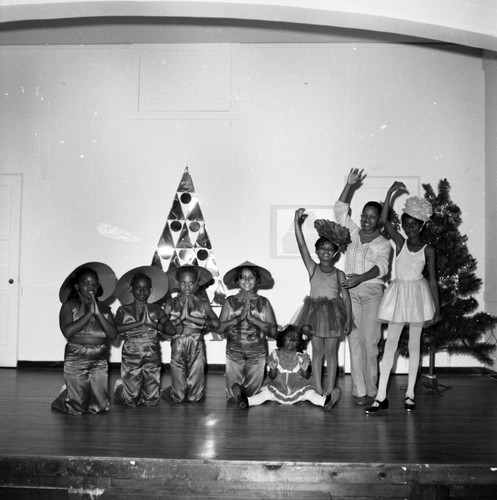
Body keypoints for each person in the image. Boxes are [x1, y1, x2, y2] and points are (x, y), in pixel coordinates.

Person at [365, 182, 440, 413]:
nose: (410, 228)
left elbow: (433, 279)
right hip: (398, 295)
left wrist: (437, 309)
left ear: (421, 225)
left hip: (418, 296)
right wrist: (389, 193)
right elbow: (385, 221)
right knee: (390, 345)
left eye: (414, 224)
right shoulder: (400, 242)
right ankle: (380, 396)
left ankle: (410, 395)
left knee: (414, 345)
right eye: (406, 224)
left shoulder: (428, 249)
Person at [334, 169, 392, 406]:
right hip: (350, 293)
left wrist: (361, 277)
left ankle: (373, 389)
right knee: (354, 339)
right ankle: (359, 391)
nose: (366, 220)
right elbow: (339, 210)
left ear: (379, 220)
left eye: (371, 216)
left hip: (372, 293)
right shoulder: (353, 233)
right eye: (364, 215)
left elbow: (382, 268)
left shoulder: (383, 243)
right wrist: (349, 185)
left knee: (370, 342)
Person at [293, 209, 352, 398]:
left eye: (330, 249)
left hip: (334, 316)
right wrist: (296, 223)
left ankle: (330, 389)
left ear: (335, 253)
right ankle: (317, 388)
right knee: (317, 351)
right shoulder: (312, 268)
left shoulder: (339, 274)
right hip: (315, 315)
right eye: (322, 248)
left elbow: (346, 297)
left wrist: (349, 319)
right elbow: (301, 245)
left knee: (331, 352)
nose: (326, 251)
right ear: (317, 251)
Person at [51, 262, 117, 415]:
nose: (91, 287)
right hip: (76, 356)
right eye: (86, 283)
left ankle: (77, 393)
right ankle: (64, 397)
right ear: (77, 286)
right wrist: (89, 314)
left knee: (100, 407)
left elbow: (113, 335)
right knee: (77, 408)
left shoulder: (105, 308)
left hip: (99, 357)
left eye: (94, 283)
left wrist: (99, 313)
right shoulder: (69, 305)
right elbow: (67, 332)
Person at [232, 325, 341, 411]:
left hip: (298, 389)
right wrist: (273, 368)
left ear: (299, 342)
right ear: (282, 338)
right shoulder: (275, 354)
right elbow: (272, 376)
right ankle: (246, 401)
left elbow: (306, 377)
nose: (292, 342)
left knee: (310, 393)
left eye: (295, 339)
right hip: (278, 388)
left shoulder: (301, 356)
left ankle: (326, 402)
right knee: (265, 394)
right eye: (289, 338)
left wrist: (304, 369)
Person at [113, 266, 176, 407]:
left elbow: (171, 330)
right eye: (138, 288)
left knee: (152, 400)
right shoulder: (123, 310)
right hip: (131, 353)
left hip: (152, 353)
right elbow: (115, 329)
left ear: (151, 290)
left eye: (145, 288)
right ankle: (119, 388)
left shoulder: (156, 309)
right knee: (131, 401)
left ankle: (143, 390)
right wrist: (139, 323)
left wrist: (153, 323)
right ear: (131, 289)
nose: (142, 291)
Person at [218, 261, 278, 402]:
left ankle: (248, 397)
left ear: (257, 281)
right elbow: (219, 329)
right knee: (233, 398)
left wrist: (254, 320)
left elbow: (274, 332)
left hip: (257, 352)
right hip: (234, 351)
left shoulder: (264, 302)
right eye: (242, 277)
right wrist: (237, 319)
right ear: (237, 280)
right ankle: (239, 396)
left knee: (252, 395)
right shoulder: (229, 301)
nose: (246, 281)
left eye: (250, 277)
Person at [161, 264, 220, 403]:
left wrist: (191, 317)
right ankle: (175, 390)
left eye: (191, 283)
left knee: (195, 397)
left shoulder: (202, 303)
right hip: (178, 342)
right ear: (177, 282)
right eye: (183, 283)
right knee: (179, 397)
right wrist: (180, 319)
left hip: (196, 342)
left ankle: (194, 390)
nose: (187, 287)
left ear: (197, 284)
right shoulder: (171, 303)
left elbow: (217, 324)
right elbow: (162, 327)